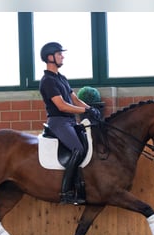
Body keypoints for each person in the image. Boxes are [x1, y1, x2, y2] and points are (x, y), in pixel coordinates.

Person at [39, 42, 99, 205]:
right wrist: (84, 112)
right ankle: (66, 191)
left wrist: (90, 108)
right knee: (78, 149)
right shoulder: (47, 81)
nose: (62, 56)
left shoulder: (61, 78)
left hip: (70, 122)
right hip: (58, 122)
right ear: (50, 57)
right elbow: (61, 106)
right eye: (59, 54)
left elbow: (74, 99)